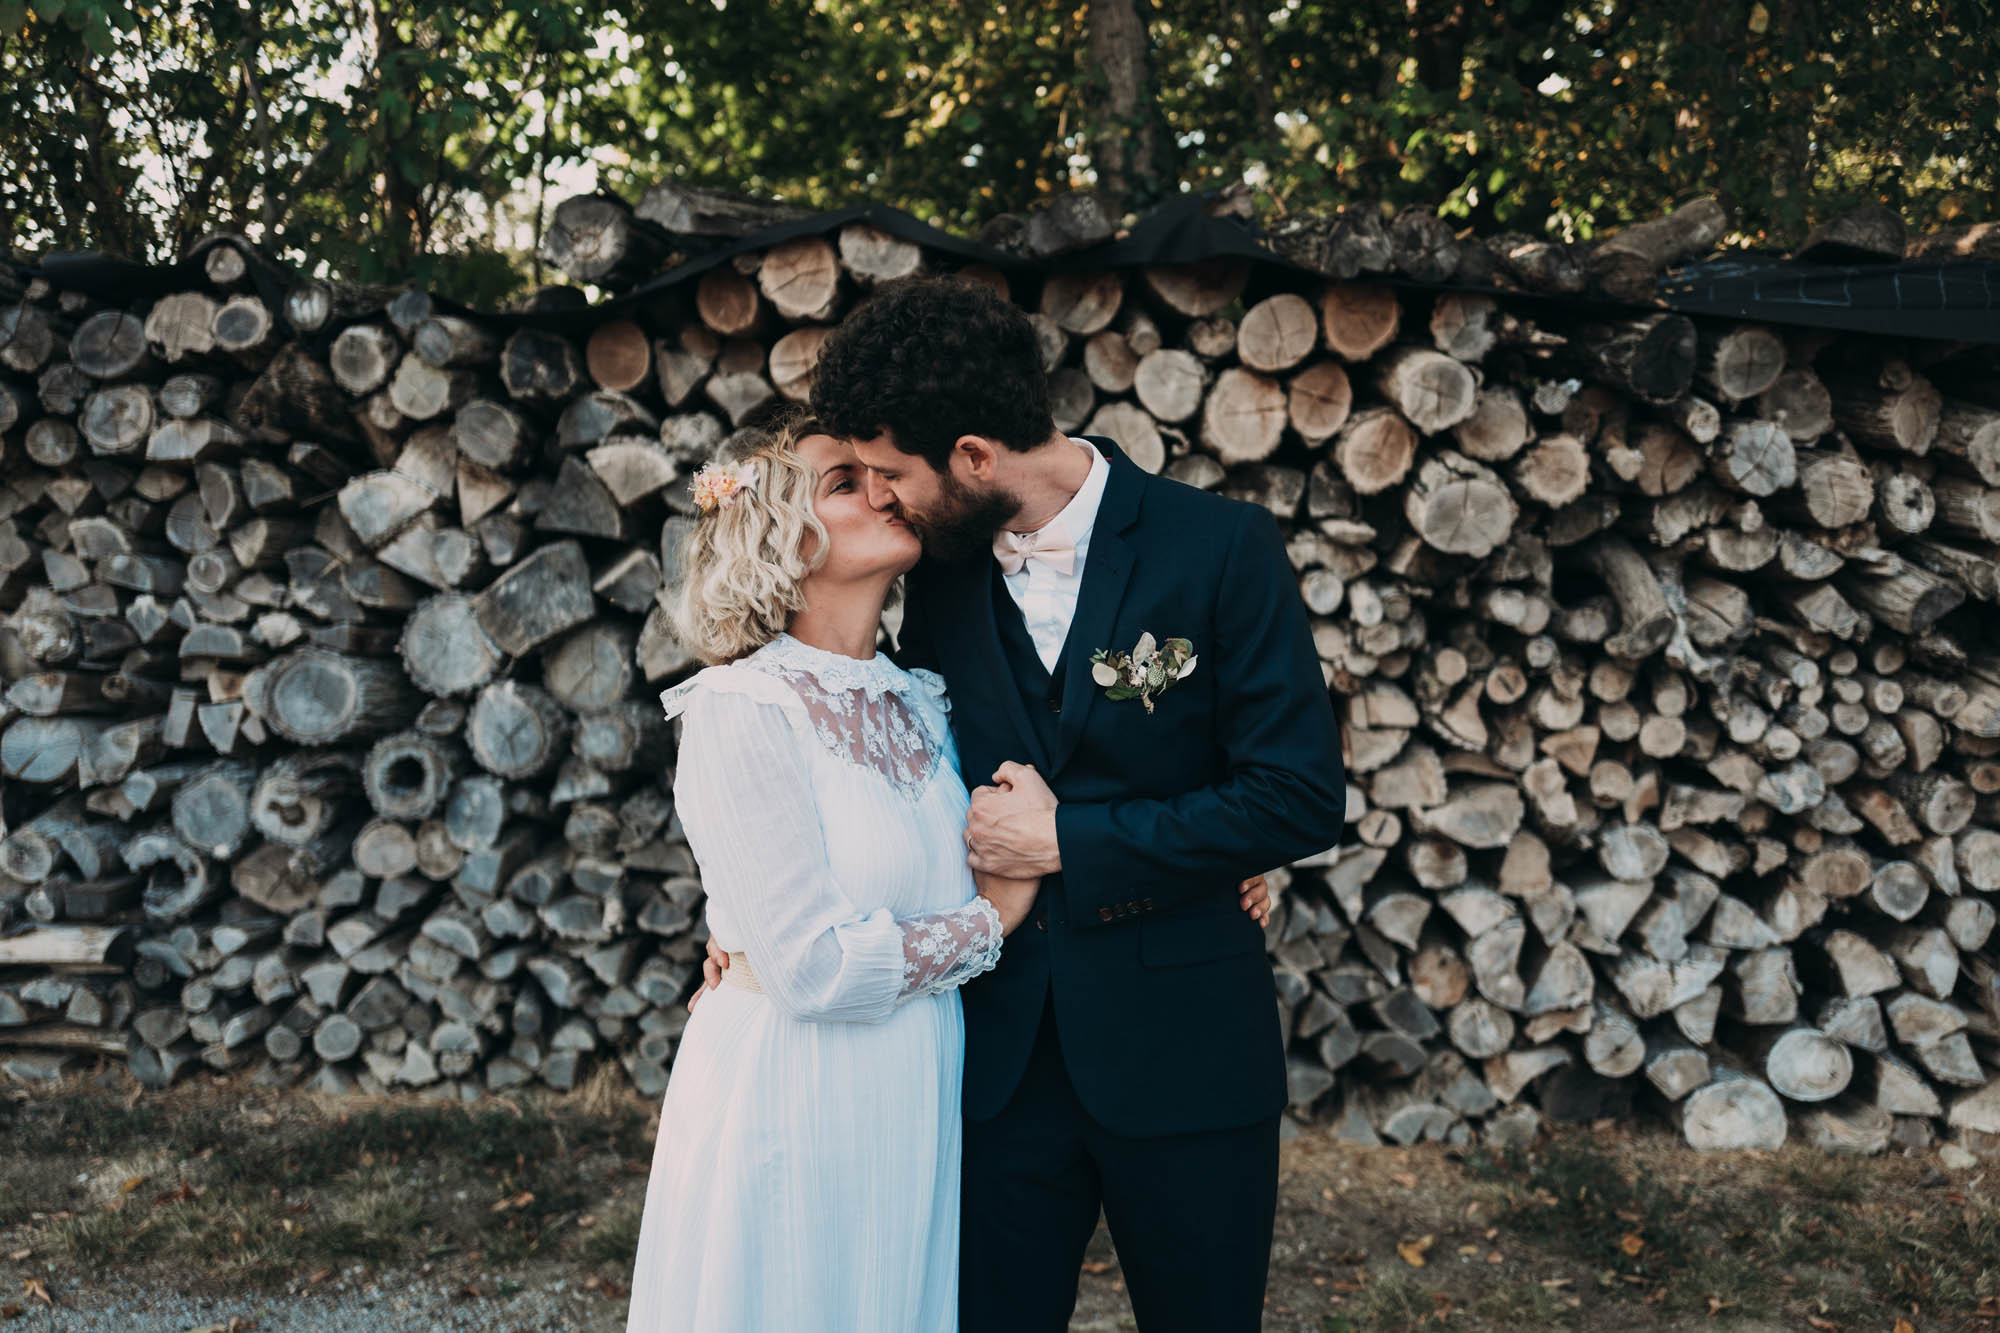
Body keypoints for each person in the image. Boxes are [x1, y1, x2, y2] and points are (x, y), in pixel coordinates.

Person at [623, 412, 1272, 1332]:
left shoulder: (924, 696)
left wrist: (1217, 860)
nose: (885, 488)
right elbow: (811, 961)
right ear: (782, 534)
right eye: (846, 482)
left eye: (879, 474)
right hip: (804, 1083)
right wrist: (990, 921)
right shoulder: (738, 704)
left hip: (925, 1081)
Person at [805, 274, 1347, 1333]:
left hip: (1184, 1051)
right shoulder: (938, 577)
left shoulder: (1219, 548)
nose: (876, 498)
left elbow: (1295, 796)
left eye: (889, 472)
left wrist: (1078, 841)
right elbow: (876, 771)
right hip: (992, 1062)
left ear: (972, 456)